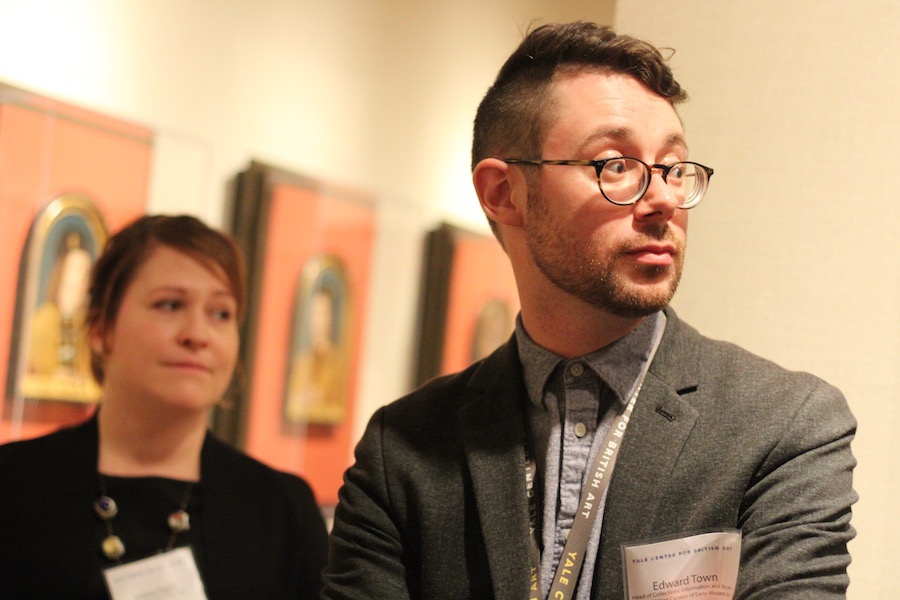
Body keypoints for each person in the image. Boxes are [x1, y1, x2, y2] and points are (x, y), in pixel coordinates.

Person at [322, 22, 857, 600]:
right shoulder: (403, 448)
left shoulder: (783, 427)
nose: (663, 200)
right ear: (504, 193)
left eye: (675, 167)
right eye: (614, 165)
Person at [0, 214, 329, 599]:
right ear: (102, 328)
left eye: (221, 313)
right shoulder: (14, 485)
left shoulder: (280, 510)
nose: (197, 335)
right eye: (170, 305)